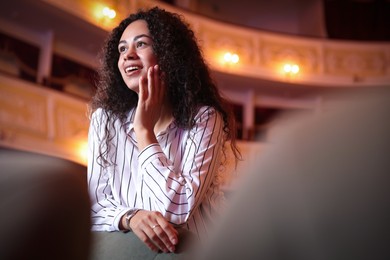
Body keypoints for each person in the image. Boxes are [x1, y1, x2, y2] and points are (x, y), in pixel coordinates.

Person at [87, 6, 240, 256]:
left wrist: (143, 130)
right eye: (122, 49)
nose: (128, 55)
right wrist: (131, 217)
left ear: (169, 55)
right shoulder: (104, 121)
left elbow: (176, 209)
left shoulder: (204, 118)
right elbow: (95, 208)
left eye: (141, 44)